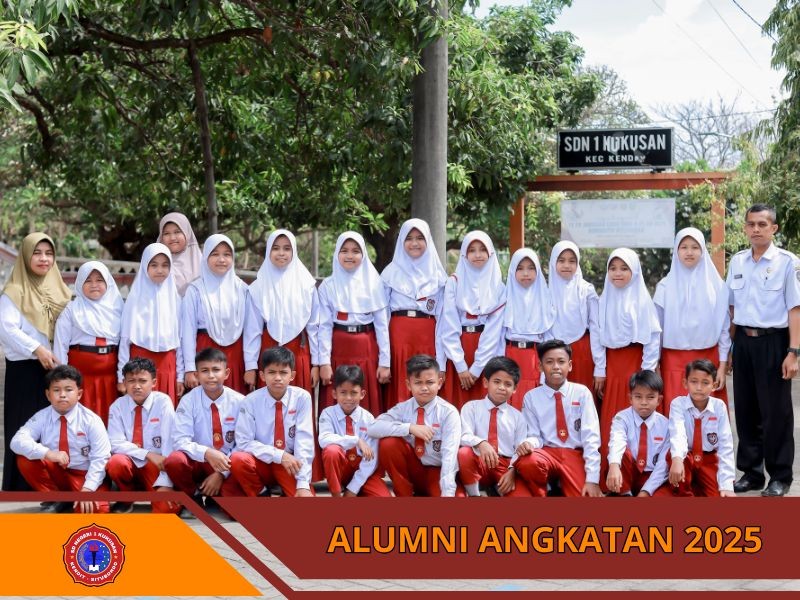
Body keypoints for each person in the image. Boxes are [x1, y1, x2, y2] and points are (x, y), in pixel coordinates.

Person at [727, 204, 800, 497]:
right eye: (751, 224)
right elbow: (732, 309)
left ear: (774, 229)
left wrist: (794, 351)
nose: (756, 229)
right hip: (743, 342)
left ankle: (780, 476)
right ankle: (752, 473)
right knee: (746, 410)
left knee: (776, 413)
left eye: (762, 224)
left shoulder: (787, 262)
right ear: (745, 227)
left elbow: (795, 309)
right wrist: (729, 349)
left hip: (774, 342)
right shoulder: (738, 262)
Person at [0, 232, 71, 491]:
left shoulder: (60, 291)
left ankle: (52, 486)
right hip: (25, 370)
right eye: (37, 253)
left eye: (49, 253)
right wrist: (37, 349)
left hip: (55, 371)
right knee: (24, 426)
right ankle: (21, 485)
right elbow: (6, 328)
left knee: (53, 428)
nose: (44, 259)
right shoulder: (13, 292)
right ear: (25, 256)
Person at [10, 365, 111, 513]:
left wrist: (88, 489)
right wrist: (49, 453)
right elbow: (17, 441)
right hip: (58, 472)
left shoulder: (91, 420)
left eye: (69, 390)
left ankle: (72, 499)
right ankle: (55, 498)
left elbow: (101, 458)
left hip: (84, 475)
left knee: (96, 510)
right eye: (56, 390)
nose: (62, 395)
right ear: (48, 395)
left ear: (79, 394)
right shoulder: (42, 416)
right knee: (25, 458)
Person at [653, 228, 730, 413]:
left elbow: (724, 329)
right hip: (673, 361)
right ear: (676, 251)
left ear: (703, 250)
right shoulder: (664, 287)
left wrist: (722, 366)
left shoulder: (717, 286)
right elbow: (656, 329)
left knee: (708, 415)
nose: (689, 252)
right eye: (684, 247)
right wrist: (655, 364)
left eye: (695, 247)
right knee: (676, 413)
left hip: (708, 359)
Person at [514, 340, 603, 497]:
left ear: (570, 365)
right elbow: (534, 436)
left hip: (574, 454)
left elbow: (591, 437)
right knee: (528, 462)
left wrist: (592, 479)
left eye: (561, 362)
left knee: (585, 497)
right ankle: (544, 490)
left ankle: (562, 484)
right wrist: (528, 443)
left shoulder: (582, 393)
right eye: (549, 362)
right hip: (546, 453)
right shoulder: (531, 397)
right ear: (540, 366)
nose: (556, 367)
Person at [368, 354, 462, 497]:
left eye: (430, 382)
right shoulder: (402, 408)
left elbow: (450, 456)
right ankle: (404, 496)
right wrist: (409, 428)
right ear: (408, 385)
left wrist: (447, 492)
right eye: (418, 383)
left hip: (437, 471)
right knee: (388, 444)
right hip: (413, 470)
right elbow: (372, 428)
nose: (424, 388)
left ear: (439, 382)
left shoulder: (448, 412)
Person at [596, 249, 661, 455]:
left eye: (624, 268)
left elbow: (652, 336)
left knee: (638, 408)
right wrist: (600, 369)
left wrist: (647, 371)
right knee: (612, 413)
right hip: (612, 365)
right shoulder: (603, 301)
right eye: (613, 268)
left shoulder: (642, 300)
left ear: (635, 271)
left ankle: (639, 463)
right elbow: (597, 336)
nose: (618, 273)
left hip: (636, 363)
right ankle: (612, 465)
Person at [318, 232, 390, 415]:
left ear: (363, 254)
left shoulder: (374, 284)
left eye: (356, 251)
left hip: (366, 346)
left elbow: (382, 326)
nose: (350, 255)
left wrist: (385, 362)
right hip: (338, 347)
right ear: (337, 253)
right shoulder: (328, 285)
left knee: (366, 398)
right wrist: (324, 362)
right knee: (337, 397)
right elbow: (324, 326)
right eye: (344, 251)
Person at [243, 229, 320, 395]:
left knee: (298, 403)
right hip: (268, 352)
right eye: (275, 248)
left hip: (299, 352)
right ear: (268, 251)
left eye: (287, 248)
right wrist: (250, 366)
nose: (281, 253)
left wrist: (316, 364)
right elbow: (252, 330)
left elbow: (314, 327)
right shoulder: (258, 287)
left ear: (294, 251)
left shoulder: (307, 286)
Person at [231, 346, 315, 497]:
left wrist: (303, 483)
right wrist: (278, 455)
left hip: (289, 464)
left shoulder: (302, 398)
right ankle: (261, 493)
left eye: (283, 372)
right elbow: (243, 442)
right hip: (261, 461)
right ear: (262, 375)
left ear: (292, 375)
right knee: (238, 459)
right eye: (271, 372)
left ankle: (287, 491)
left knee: (305, 503)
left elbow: (304, 441)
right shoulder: (250, 401)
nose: (277, 377)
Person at [164, 348, 245, 504]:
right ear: (196, 375)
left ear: (226, 373)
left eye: (216, 370)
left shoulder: (240, 401)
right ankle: (191, 495)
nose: (211, 375)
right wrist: (207, 452)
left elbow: (244, 442)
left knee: (234, 510)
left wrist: (221, 474)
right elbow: (180, 440)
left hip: (227, 463)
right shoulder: (188, 401)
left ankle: (216, 492)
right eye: (204, 371)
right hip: (197, 461)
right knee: (174, 460)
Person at [381, 218, 447, 409]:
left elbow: (443, 320)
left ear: (428, 240)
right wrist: (384, 359)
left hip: (427, 339)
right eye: (409, 238)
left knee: (426, 386)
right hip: (398, 339)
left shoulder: (438, 275)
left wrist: (441, 362)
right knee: (400, 388)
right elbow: (382, 317)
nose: (414, 243)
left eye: (420, 238)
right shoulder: (389, 273)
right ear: (401, 241)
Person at [438, 231, 505, 409]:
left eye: (482, 249)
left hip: (486, 353)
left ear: (490, 253)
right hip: (457, 351)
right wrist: (461, 366)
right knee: (456, 405)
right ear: (464, 254)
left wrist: (476, 369)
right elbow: (448, 325)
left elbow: (493, 331)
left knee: (484, 407)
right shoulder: (454, 282)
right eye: (472, 250)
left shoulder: (498, 287)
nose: (477, 254)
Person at [54, 261, 124, 425]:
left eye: (99, 280)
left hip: (109, 377)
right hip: (80, 376)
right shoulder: (72, 309)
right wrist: (62, 377)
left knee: (109, 418)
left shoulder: (118, 308)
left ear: (108, 282)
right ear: (80, 283)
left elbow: (125, 342)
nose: (94, 285)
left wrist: (122, 375)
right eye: (88, 280)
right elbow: (60, 344)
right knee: (80, 421)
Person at [106, 357, 179, 514]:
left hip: (157, 465)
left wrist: (166, 482)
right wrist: (147, 454)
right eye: (131, 381)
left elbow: (170, 442)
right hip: (131, 461)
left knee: (166, 510)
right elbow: (114, 442)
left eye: (142, 381)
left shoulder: (163, 402)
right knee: (116, 462)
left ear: (153, 382)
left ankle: (161, 492)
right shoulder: (117, 406)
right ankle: (126, 497)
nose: (137, 386)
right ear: (124, 383)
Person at [656, 359, 735, 497]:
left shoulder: (719, 406)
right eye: (694, 382)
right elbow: (678, 434)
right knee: (676, 459)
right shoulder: (678, 404)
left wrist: (727, 485)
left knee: (719, 496)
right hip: (686, 457)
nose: (699, 387)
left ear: (714, 385)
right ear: (685, 383)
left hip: (709, 460)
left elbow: (725, 445)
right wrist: (677, 459)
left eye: (705, 383)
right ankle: (685, 494)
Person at [118, 243, 184, 405]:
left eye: (165, 265)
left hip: (167, 364)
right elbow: (125, 339)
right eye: (154, 265)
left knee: (164, 411)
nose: (160, 270)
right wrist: (121, 376)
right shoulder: (135, 298)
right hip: (138, 364)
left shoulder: (175, 299)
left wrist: (180, 375)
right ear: (145, 266)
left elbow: (181, 339)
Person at [182, 234, 248, 394]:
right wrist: (190, 367)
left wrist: (250, 365)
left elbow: (250, 329)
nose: (221, 259)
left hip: (235, 354)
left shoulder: (243, 289)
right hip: (204, 350)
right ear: (206, 257)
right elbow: (188, 331)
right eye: (215, 254)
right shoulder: (195, 290)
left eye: (227, 254)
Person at [458, 356, 531, 497]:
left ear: (515, 389)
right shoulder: (471, 407)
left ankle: (496, 489)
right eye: (496, 382)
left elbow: (519, 448)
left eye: (508, 384)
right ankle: (474, 494)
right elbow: (463, 436)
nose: (502, 387)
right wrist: (481, 443)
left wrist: (512, 470)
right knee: (464, 453)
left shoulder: (518, 417)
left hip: (504, 464)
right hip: (478, 460)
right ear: (486, 382)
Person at [318, 365, 391, 497]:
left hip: (361, 469)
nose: (348, 398)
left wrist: (352, 490)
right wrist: (356, 440)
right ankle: (336, 496)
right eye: (343, 392)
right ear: (334, 394)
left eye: (353, 393)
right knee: (331, 451)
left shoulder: (368, 418)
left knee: (383, 498)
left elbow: (371, 459)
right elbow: (324, 439)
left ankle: (355, 491)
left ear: (362, 394)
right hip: (340, 468)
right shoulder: (327, 414)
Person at [547, 241, 604, 400]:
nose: (567, 265)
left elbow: (596, 328)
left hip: (582, 352)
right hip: (552, 352)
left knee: (581, 400)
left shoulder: (586, 290)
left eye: (572, 261)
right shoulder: (545, 292)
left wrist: (600, 367)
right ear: (553, 262)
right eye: (561, 260)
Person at [502, 249, 555, 409]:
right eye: (520, 268)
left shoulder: (545, 298)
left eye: (531, 268)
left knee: (534, 404)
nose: (526, 273)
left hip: (534, 358)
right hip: (511, 356)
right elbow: (498, 335)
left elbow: (549, 336)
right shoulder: (504, 297)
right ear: (512, 271)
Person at [606, 370, 670, 496]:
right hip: (627, 474)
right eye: (638, 397)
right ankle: (624, 494)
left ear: (659, 400)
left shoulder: (666, 425)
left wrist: (646, 491)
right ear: (630, 398)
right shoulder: (621, 418)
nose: (644, 402)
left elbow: (663, 464)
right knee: (620, 453)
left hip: (652, 476)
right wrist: (614, 465)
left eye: (650, 397)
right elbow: (616, 441)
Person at [157, 212, 202, 296]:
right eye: (166, 233)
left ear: (186, 233)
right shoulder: (154, 263)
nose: (172, 238)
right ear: (161, 237)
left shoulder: (202, 263)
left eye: (177, 232)